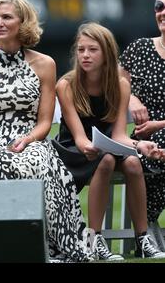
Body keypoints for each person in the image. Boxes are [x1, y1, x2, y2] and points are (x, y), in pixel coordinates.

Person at [0, 0, 92, 262]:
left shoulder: (45, 64)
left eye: (7, 17)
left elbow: (43, 122)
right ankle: (21, 246)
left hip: (31, 138)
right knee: (5, 160)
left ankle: (48, 246)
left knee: (37, 160)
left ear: (23, 22)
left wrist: (27, 140)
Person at [53, 22, 165, 260]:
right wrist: (95, 147)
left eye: (92, 50)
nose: (85, 55)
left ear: (107, 53)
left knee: (134, 164)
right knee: (105, 161)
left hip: (108, 146)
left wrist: (140, 146)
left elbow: (119, 136)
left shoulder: (121, 84)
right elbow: (80, 139)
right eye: (81, 49)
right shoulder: (66, 85)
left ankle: (143, 239)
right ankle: (95, 240)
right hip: (75, 149)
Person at [119, 0, 165, 231]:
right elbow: (115, 82)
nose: (163, 12)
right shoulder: (139, 49)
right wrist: (130, 99)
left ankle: (147, 220)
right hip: (143, 141)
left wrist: (159, 124)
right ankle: (147, 223)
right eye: (160, 7)